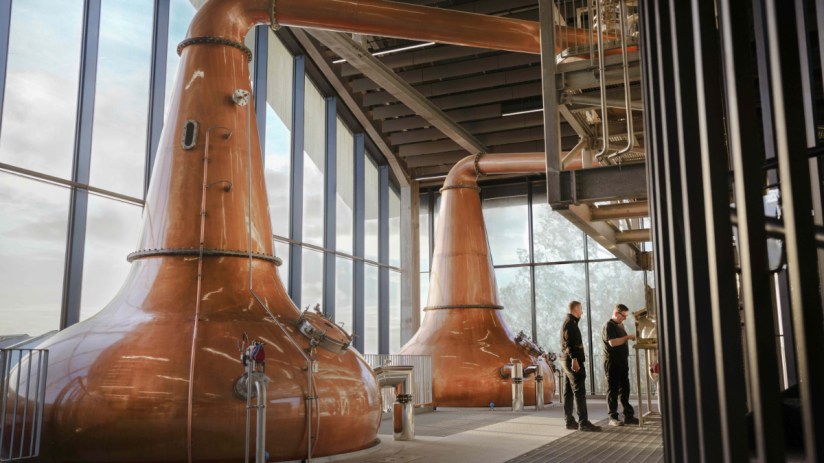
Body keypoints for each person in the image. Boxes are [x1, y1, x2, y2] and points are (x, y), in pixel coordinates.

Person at [560, 300, 601, 432]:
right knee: (579, 390)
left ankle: (569, 421)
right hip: (572, 360)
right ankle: (583, 422)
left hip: (567, 359)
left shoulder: (569, 322)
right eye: (581, 309)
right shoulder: (570, 324)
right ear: (575, 310)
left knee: (569, 392)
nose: (582, 312)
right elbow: (569, 343)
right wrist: (574, 359)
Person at [602, 303, 639, 426]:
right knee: (612, 390)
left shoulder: (620, 325)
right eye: (623, 316)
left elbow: (621, 341)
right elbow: (612, 342)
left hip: (622, 362)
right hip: (612, 362)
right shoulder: (609, 325)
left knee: (625, 388)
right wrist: (628, 337)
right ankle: (612, 417)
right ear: (617, 313)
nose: (624, 318)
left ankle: (628, 415)